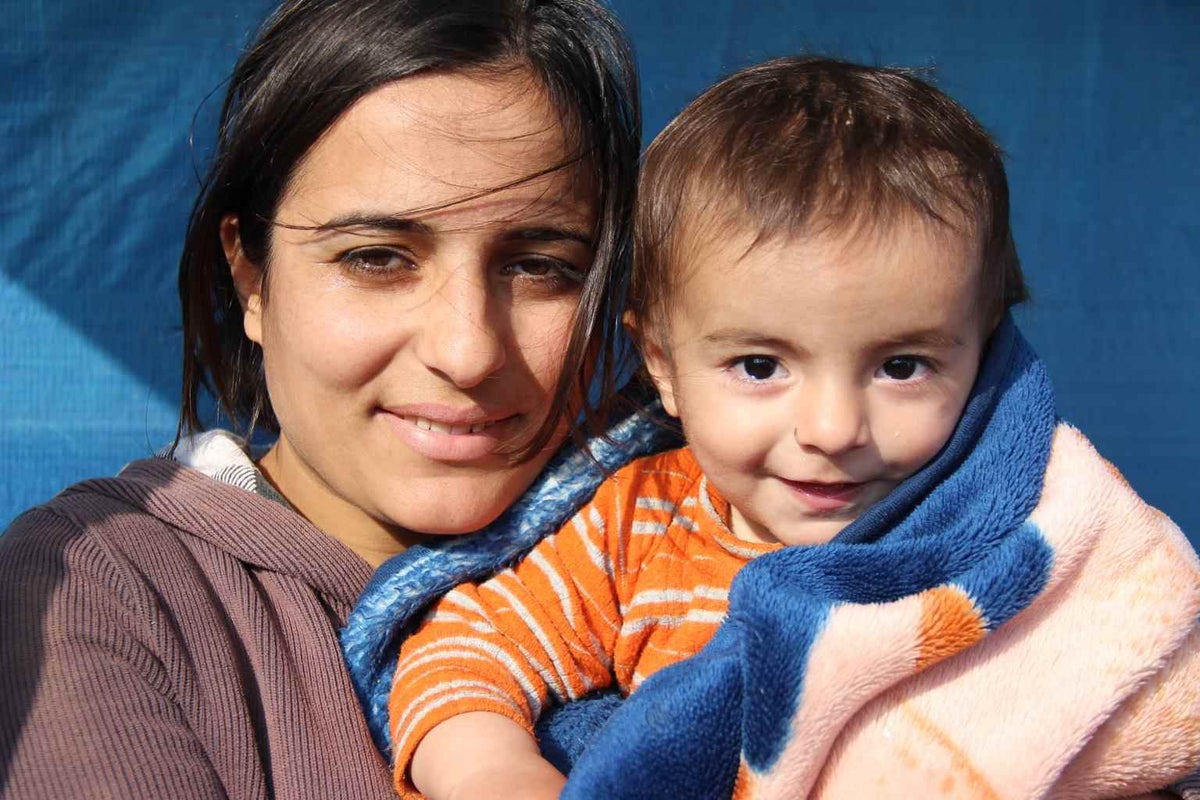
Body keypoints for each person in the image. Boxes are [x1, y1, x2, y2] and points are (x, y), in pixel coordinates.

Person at [387, 57, 1200, 799]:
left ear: (981, 353)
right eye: (760, 366)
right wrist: (494, 768)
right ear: (663, 365)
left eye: (902, 366)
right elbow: (467, 650)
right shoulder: (635, 526)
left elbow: (1132, 680)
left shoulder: (1020, 527)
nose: (833, 428)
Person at [0, 1, 645, 797]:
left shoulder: (720, 538)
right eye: (377, 257)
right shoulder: (101, 588)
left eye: (541, 265)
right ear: (251, 278)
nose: (468, 349)